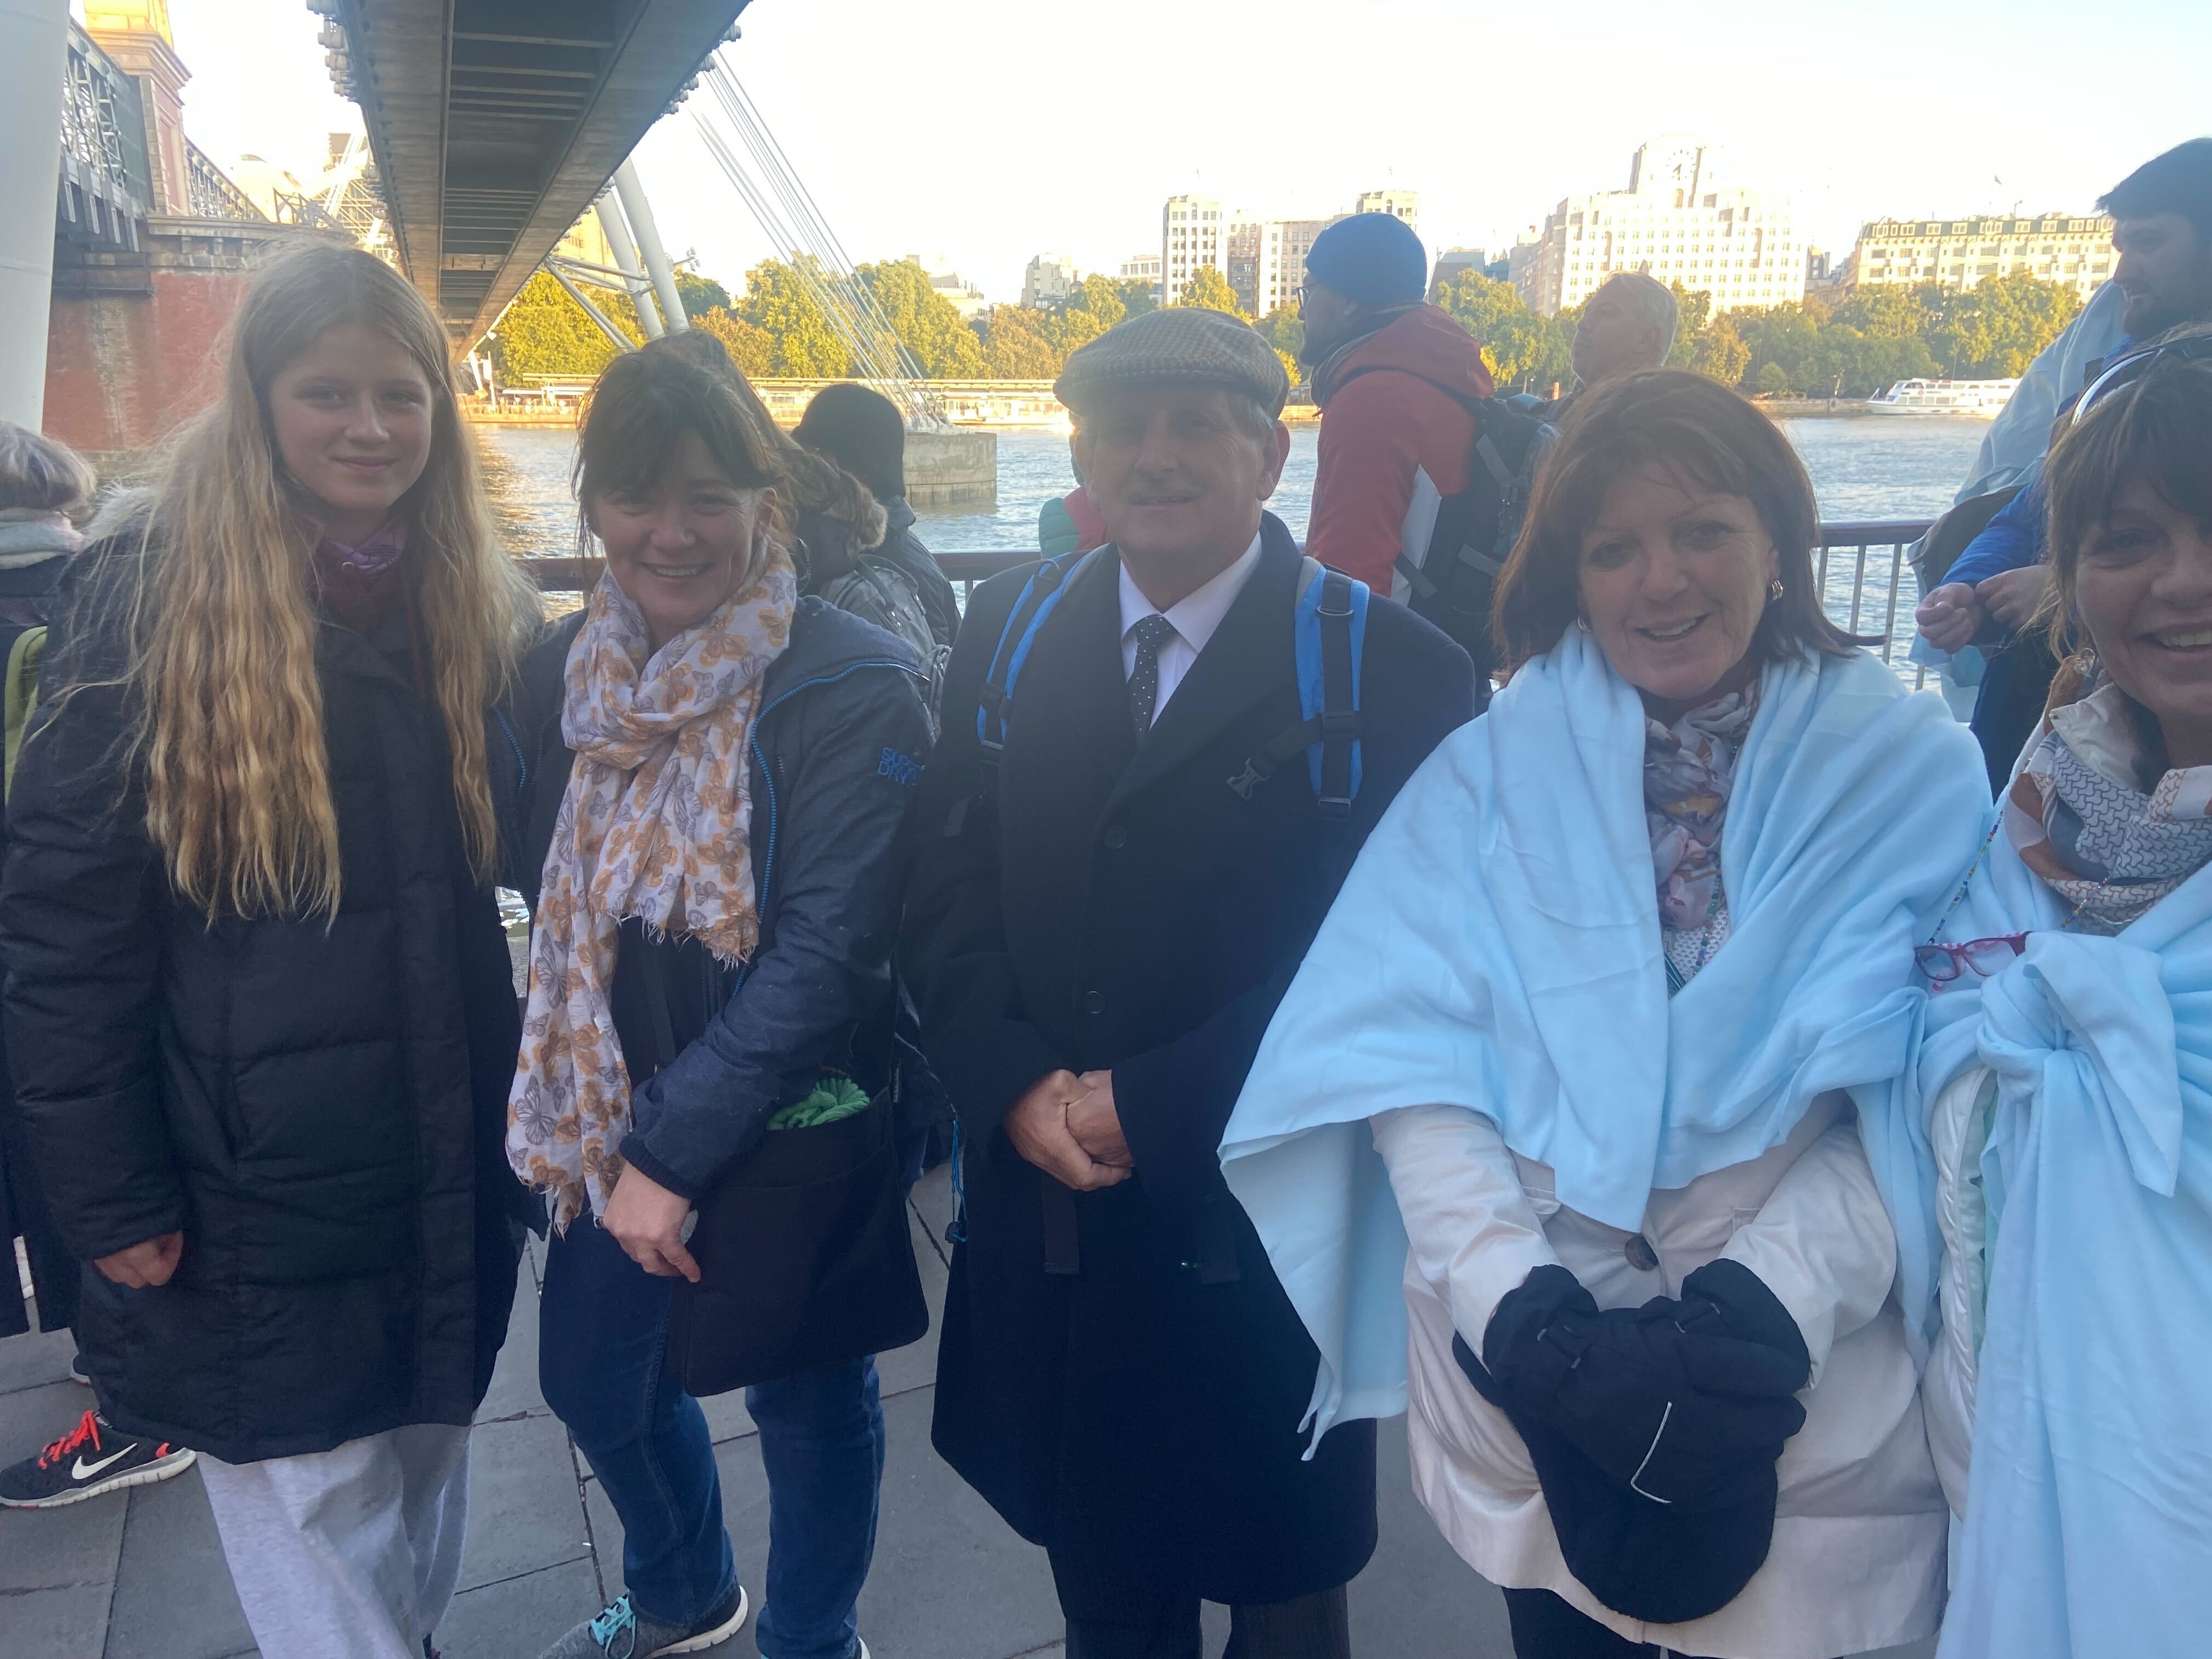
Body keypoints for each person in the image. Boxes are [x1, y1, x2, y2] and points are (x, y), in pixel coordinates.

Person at [1221, 369, 1989, 1659]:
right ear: (1569, 574)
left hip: (1804, 1393)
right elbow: (1410, 1062)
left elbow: (1925, 1095)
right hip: (1538, 1389)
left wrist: (1757, 1311)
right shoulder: (1485, 771)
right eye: (1615, 547)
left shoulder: (1910, 771)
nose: (1662, 580)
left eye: (1703, 531)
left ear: (1777, 546)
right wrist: (1524, 1314)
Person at [902, 306, 1477, 1659]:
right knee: (1105, 1586)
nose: (1153, 456)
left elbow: (1405, 959)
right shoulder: (1008, 629)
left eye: (1193, 425)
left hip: (1264, 1226)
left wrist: (1151, 1104)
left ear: (1267, 452)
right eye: (1120, 429)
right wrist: (1013, 1084)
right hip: (1054, 1212)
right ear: (1084, 456)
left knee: (1284, 1590)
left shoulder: (1398, 671)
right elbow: (937, 886)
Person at [0, 244, 540, 1656]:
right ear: (258, 405)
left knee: (420, 1486)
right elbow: (64, 937)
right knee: (314, 1527)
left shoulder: (463, 597)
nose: (370, 427)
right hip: (242, 1190)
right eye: (327, 394)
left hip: (431, 1161)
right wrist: (107, 1201)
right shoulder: (142, 604)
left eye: (401, 394)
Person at [506, 346, 930, 1659]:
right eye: (636, 497)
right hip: (608, 1104)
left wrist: (672, 1152)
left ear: (770, 502)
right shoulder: (564, 670)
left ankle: (814, 1634)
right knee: (588, 1380)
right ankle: (689, 1589)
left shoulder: (848, 678)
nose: (670, 533)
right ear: (594, 509)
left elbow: (830, 950)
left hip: (790, 1106)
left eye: (708, 496)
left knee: (809, 1399)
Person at [1914, 336, 2212, 1659]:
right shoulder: (2038, 804)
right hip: (2007, 1441)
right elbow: (1939, 1034)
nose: (2185, 582)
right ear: (2071, 582)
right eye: (2130, 538)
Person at [1917, 138, 2212, 786]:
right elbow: (2033, 507)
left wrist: (2061, 593)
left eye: (2151, 243)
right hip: (2055, 725)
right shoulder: (2114, 381)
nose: (2124, 273)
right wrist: (1966, 587)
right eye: (2122, 246)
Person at [1299, 210, 1495, 596]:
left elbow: (1346, 587)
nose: (1302, 310)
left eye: (1309, 291)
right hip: (1454, 638)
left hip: (1397, 647)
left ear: (1349, 301)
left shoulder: (1373, 402)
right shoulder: (1452, 375)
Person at [793, 380, 960, 651]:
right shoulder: (896, 548)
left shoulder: (872, 561)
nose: (795, 466)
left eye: (807, 453)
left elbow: (926, 675)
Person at [1533, 273, 1679, 426]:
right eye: (1587, 313)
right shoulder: (1547, 417)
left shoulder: (1663, 435)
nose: (1582, 324)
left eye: (1606, 313)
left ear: (1646, 339)